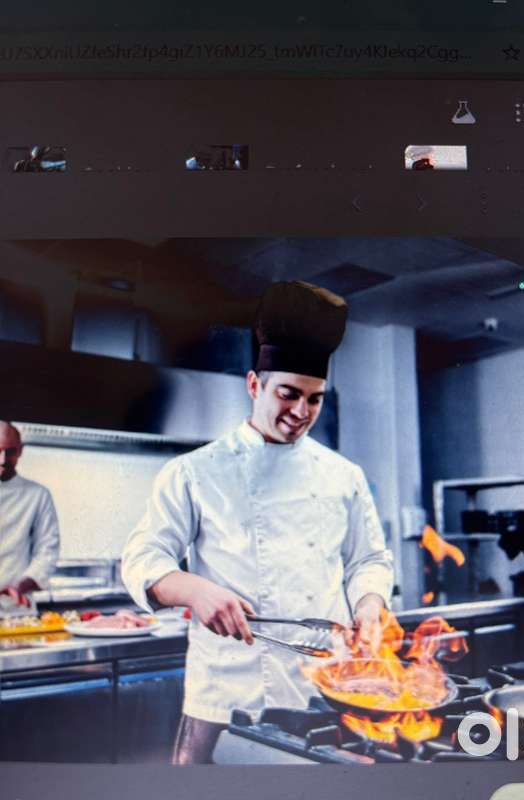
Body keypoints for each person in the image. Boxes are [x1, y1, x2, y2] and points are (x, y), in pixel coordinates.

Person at [121, 281, 395, 764]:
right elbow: (143, 557)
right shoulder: (195, 472)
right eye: (288, 394)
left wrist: (370, 604)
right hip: (226, 689)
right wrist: (195, 590)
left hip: (324, 685)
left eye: (315, 399)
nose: (301, 413)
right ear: (254, 385)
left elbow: (368, 559)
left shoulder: (343, 475)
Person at [0, 421, 60, 606]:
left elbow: (47, 552)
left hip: (15, 608)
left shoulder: (38, 495)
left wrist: (20, 586)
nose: (2, 460)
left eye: (10, 452)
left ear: (20, 451)